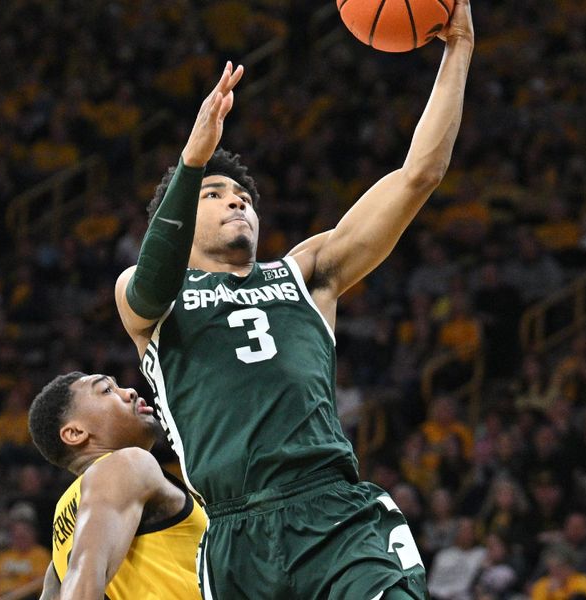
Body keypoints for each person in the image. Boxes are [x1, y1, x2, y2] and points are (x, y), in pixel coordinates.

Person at [113, 1, 474, 597]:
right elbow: (149, 286)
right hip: (234, 535)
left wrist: (458, 49)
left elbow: (419, 175)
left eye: (243, 196)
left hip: (334, 515)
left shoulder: (307, 273)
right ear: (177, 216)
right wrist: (191, 161)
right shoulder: (150, 294)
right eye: (214, 195)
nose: (236, 202)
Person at [28, 371, 207, 599]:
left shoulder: (63, 521)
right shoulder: (125, 464)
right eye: (107, 390)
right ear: (75, 433)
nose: (130, 392)